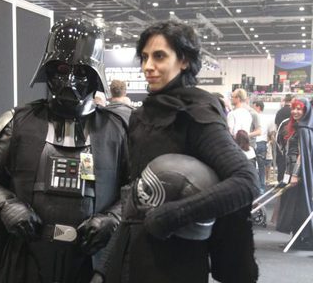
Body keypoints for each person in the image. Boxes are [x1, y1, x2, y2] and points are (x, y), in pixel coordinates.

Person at [0, 19, 129, 283]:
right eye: (62, 69)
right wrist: (6, 207)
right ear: (48, 69)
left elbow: (135, 187)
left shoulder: (117, 129)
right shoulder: (16, 121)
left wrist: (112, 218)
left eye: (81, 71)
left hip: (92, 261)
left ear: (96, 75)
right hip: (27, 256)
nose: (70, 80)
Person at [96, 21, 259, 283]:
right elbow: (133, 195)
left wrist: (174, 215)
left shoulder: (195, 113)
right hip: (135, 251)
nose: (148, 66)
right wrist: (106, 265)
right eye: (145, 57)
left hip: (177, 260)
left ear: (183, 60)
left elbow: (246, 182)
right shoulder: (142, 115)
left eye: (159, 56)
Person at [276, 97, 313, 250]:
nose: (295, 111)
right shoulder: (295, 126)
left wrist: (296, 174)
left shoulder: (304, 129)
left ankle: (304, 239)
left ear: (305, 110)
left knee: (301, 205)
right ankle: (297, 238)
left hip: (299, 174)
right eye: (294, 108)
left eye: (299, 109)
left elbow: (301, 155)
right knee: (293, 205)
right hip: (291, 171)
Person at [274, 94, 293, 182]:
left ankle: (280, 181)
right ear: (292, 100)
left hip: (281, 140)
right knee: (290, 162)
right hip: (292, 140)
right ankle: (288, 181)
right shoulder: (293, 112)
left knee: (281, 162)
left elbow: (276, 126)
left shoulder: (279, 112)